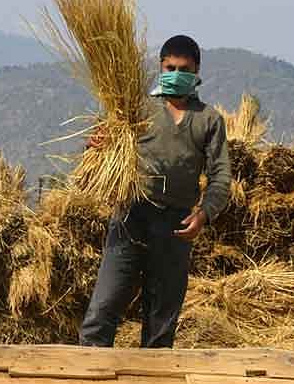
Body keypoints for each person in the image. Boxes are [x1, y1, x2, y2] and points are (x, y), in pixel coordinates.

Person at [79, 35, 231, 348]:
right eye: (170, 67)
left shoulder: (209, 120)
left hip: (175, 225)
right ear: (160, 68)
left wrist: (204, 213)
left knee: (161, 322)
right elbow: (104, 149)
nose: (176, 73)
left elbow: (220, 176)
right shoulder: (136, 108)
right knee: (103, 309)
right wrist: (97, 146)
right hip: (130, 216)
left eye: (183, 69)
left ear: (197, 70)